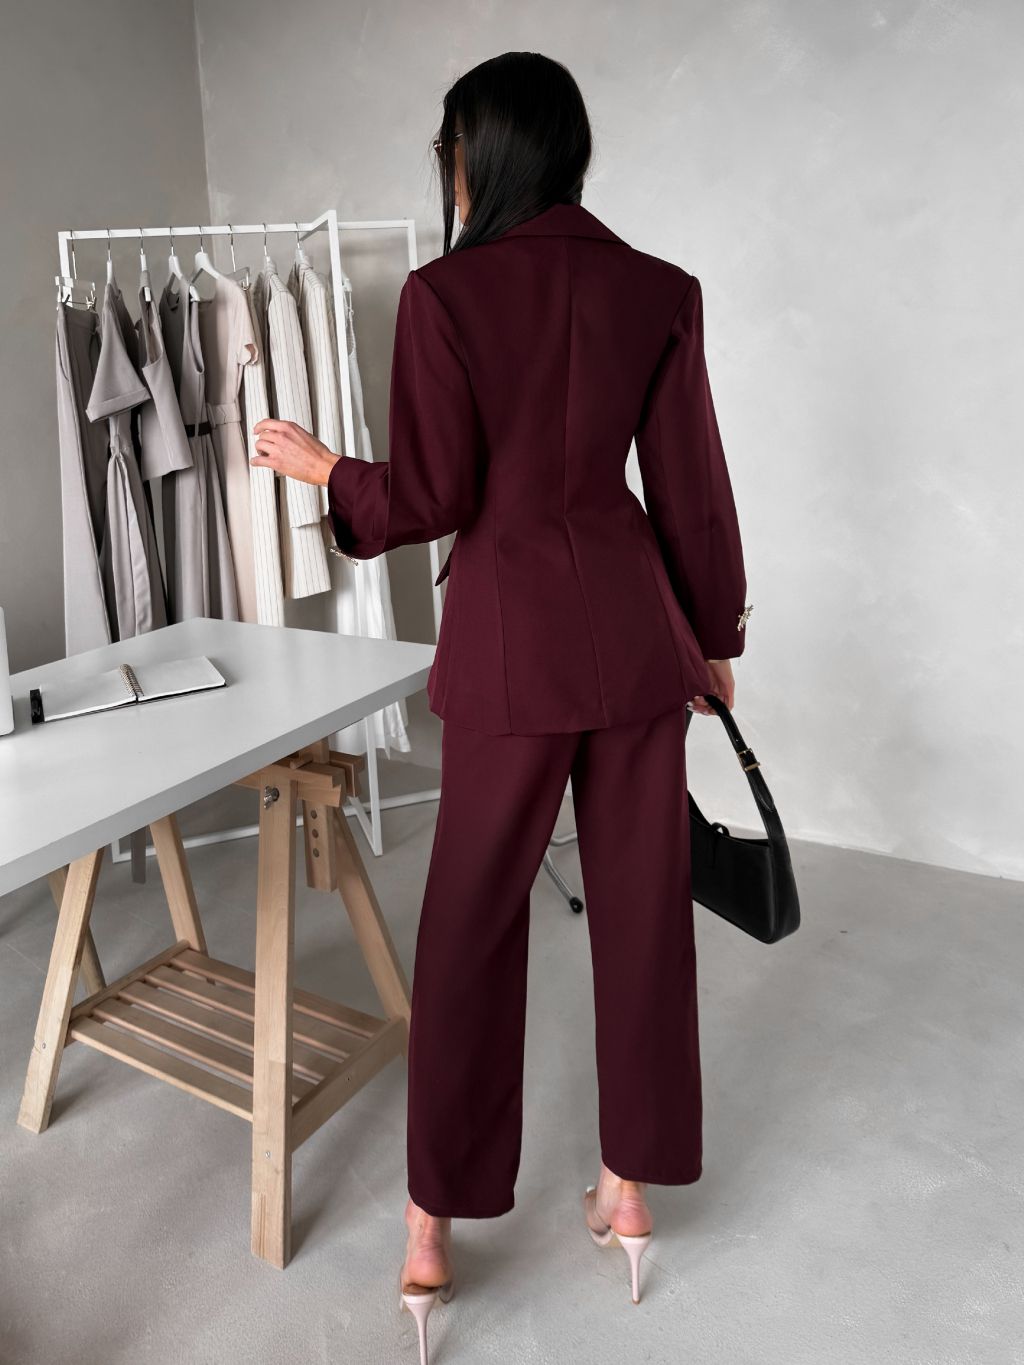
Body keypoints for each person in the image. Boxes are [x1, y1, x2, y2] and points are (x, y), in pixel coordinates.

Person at [251, 49, 750, 1364]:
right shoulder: (659, 289)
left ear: (473, 157)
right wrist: (714, 635)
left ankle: (429, 1231)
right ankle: (628, 1192)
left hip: (513, 655)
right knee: (644, 916)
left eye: (450, 153)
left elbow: (432, 497)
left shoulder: (446, 294)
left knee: (470, 927)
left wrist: (326, 469)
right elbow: (691, 484)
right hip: (635, 644)